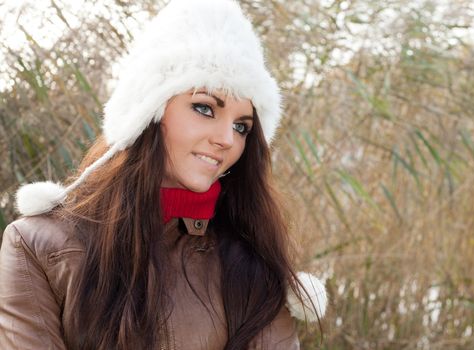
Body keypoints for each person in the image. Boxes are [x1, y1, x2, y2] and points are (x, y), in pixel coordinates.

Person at [0, 0, 327, 349]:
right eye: (205, 108)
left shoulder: (252, 256)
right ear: (148, 111)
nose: (226, 139)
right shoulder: (39, 244)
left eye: (242, 126)